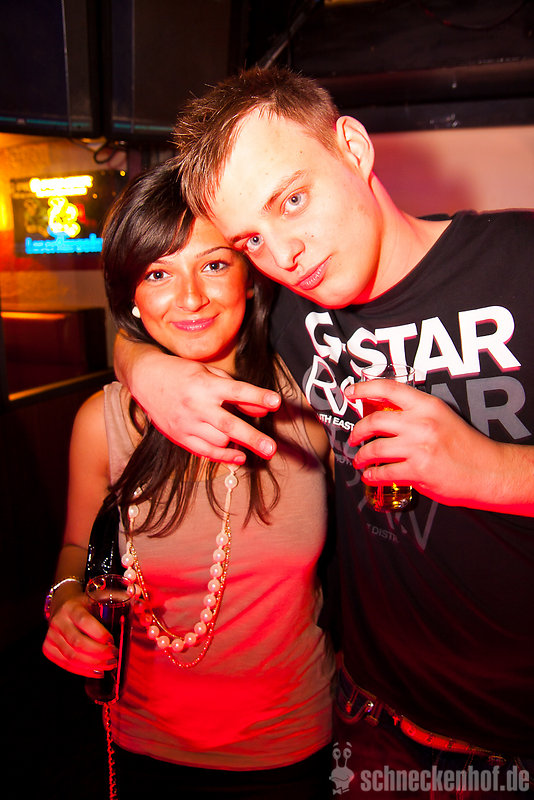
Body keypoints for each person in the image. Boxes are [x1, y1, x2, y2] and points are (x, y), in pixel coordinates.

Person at [114, 67, 534, 797]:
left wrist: (494, 471)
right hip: (370, 724)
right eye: (252, 238)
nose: (285, 255)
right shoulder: (290, 315)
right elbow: (157, 312)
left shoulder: (519, 263)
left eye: (293, 200)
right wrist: (145, 368)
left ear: (353, 147)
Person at [42, 159, 336, 799]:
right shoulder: (101, 421)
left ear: (250, 278)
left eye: (214, 265)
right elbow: (73, 548)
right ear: (132, 297)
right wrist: (64, 601)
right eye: (158, 273)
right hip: (145, 742)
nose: (191, 298)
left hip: (292, 744)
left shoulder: (310, 405)